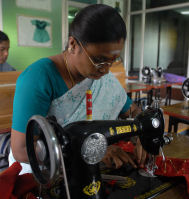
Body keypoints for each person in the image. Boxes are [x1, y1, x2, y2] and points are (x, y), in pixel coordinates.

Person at [9, 4, 147, 175]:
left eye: (113, 60)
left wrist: (143, 132)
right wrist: (92, 151)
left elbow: (131, 110)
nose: (106, 70)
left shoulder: (102, 78)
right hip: (42, 172)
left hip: (86, 169)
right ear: (73, 44)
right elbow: (22, 149)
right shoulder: (39, 77)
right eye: (98, 60)